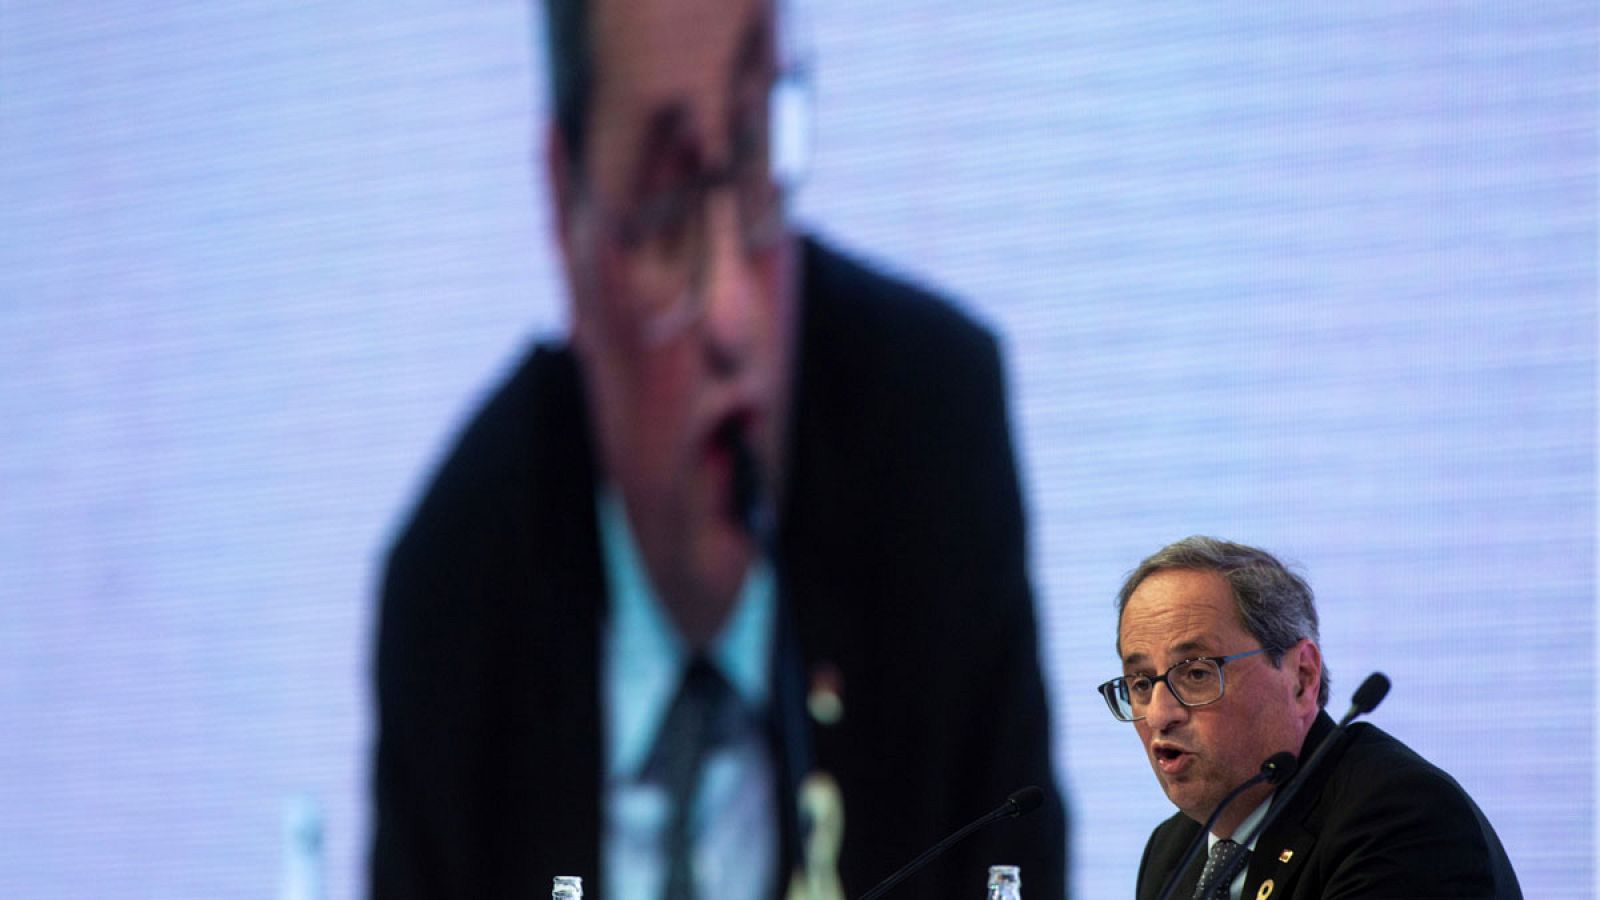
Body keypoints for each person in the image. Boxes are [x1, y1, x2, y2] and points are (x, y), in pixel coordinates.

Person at [369, 0, 1068, 897]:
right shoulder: (450, 595)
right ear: (564, 206)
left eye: (752, 151)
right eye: (662, 207)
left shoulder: (933, 445)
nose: (737, 315)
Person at [1101, 536, 1520, 900]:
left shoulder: (1400, 816)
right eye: (1140, 683)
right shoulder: (1172, 850)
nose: (1158, 714)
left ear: (1302, 678)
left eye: (1195, 673)